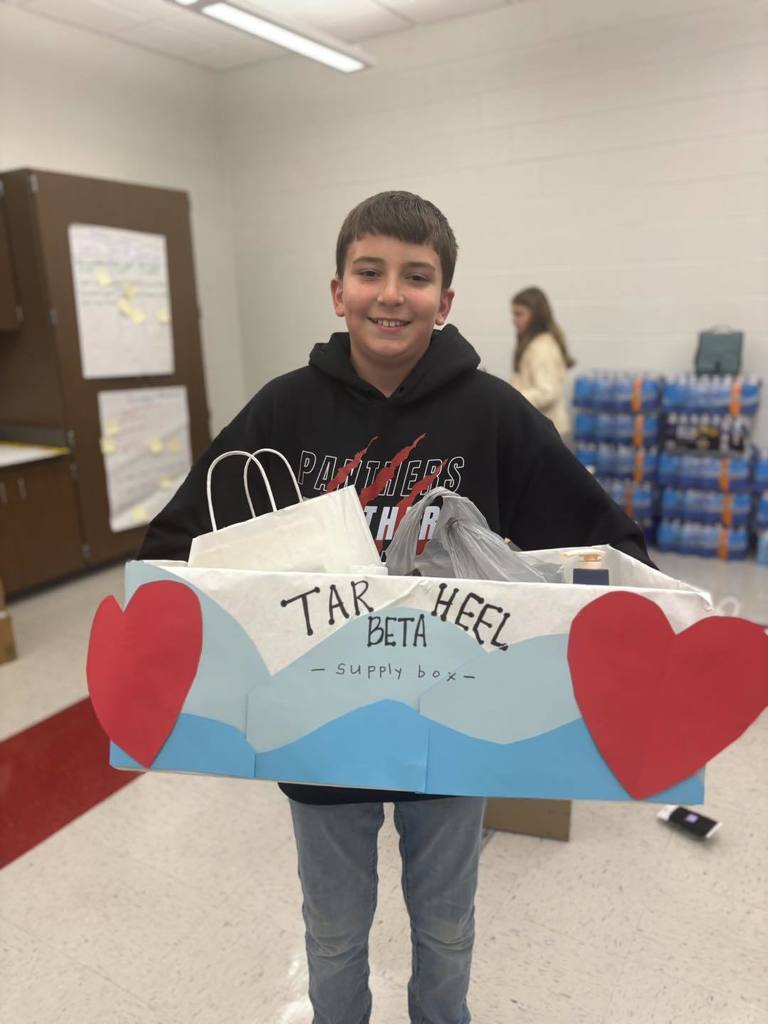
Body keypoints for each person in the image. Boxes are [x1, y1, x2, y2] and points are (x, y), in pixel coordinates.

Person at [140, 191, 651, 1024]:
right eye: (369, 272)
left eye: (417, 277)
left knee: (446, 928)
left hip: (450, 733)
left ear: (445, 302)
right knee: (335, 931)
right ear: (337, 290)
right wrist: (165, 635)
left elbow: (601, 536)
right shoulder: (283, 408)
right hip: (318, 735)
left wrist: (652, 628)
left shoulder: (492, 413)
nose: (391, 294)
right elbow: (178, 542)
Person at [510, 286, 575, 439]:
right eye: (513, 314)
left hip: (549, 433)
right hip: (542, 430)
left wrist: (511, 397)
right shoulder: (534, 343)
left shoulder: (542, 348)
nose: (514, 320)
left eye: (519, 314)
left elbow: (547, 392)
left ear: (536, 316)